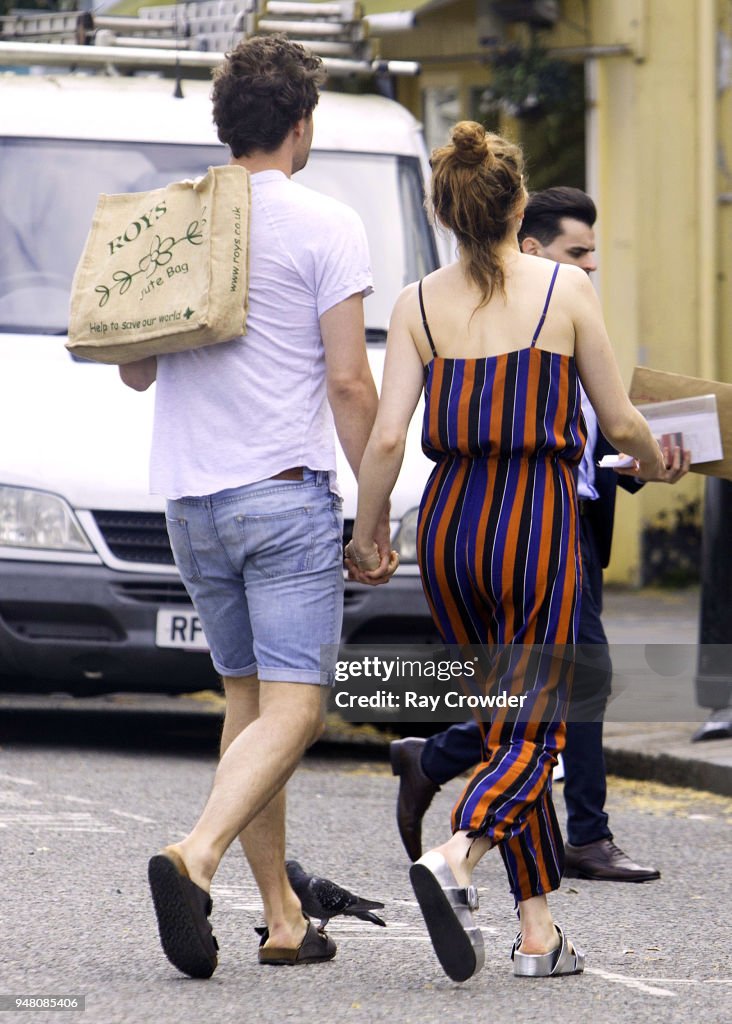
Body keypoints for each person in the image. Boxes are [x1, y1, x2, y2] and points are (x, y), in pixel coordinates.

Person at [346, 123, 669, 982]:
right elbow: (618, 415)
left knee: (502, 720)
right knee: (537, 729)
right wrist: (651, 457)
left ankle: (537, 932)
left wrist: (369, 532)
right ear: (519, 205)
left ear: (445, 212)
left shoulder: (415, 303)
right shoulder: (564, 290)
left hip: (452, 528)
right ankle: (456, 853)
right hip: (537, 522)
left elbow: (385, 440)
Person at [119, 35, 394, 978]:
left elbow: (134, 368)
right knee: (300, 709)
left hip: (190, 503)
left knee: (250, 704)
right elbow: (352, 386)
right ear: (301, 126)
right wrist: (375, 515)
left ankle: (281, 917)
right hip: (279, 500)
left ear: (225, 126)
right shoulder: (328, 224)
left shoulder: (175, 222)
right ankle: (194, 856)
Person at [390, 186, 690, 883]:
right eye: (577, 252)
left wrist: (642, 466)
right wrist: (646, 454)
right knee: (553, 702)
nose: (589, 267)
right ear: (528, 239)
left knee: (520, 708)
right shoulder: (544, 304)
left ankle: (536, 913)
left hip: (527, 523)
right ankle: (479, 848)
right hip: (534, 530)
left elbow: (590, 440)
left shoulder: (431, 305)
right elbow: (602, 427)